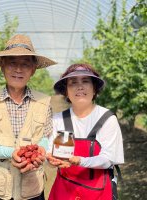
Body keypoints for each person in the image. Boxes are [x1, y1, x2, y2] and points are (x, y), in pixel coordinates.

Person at [0, 34, 57, 200]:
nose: (18, 69)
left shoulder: (44, 102)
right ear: (2, 67)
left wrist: (40, 150)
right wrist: (13, 152)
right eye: (12, 63)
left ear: (33, 70)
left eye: (25, 64)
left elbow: (45, 138)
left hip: (31, 189)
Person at [46, 63, 124, 200]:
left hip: (98, 192)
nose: (80, 87)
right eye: (73, 83)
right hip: (64, 190)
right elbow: (49, 151)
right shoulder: (58, 119)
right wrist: (51, 159)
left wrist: (79, 160)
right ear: (66, 91)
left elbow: (108, 158)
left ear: (94, 89)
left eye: (86, 81)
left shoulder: (106, 119)